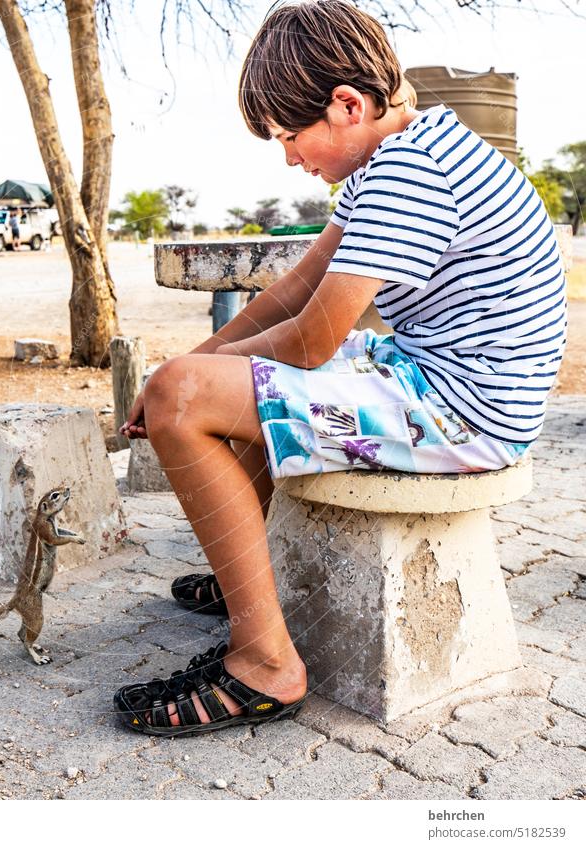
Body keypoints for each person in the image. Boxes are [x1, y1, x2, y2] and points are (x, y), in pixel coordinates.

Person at [113, 0, 567, 737]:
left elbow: (310, 341)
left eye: (291, 136)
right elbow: (296, 290)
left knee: (184, 398)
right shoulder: (403, 154)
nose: (290, 156)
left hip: (462, 410)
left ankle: (265, 664)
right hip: (441, 376)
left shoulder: (408, 175)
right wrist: (192, 365)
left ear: (348, 105)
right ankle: (253, 584)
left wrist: (181, 385)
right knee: (190, 387)